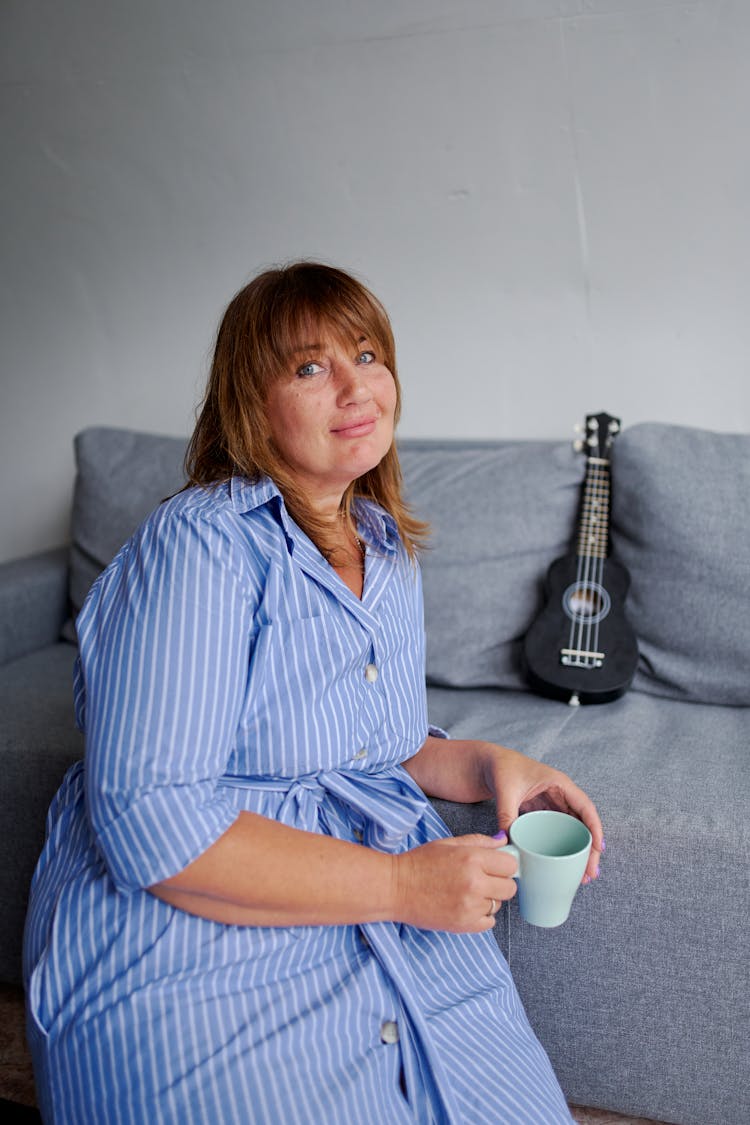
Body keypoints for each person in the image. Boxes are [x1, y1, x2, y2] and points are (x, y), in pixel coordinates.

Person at [24, 261, 603, 1124]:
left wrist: (491, 765)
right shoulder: (203, 545)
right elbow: (153, 822)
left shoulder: (387, 546)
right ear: (249, 405)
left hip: (387, 886)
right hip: (209, 918)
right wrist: (402, 887)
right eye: (308, 366)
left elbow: (376, 741)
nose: (354, 386)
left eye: (367, 354)